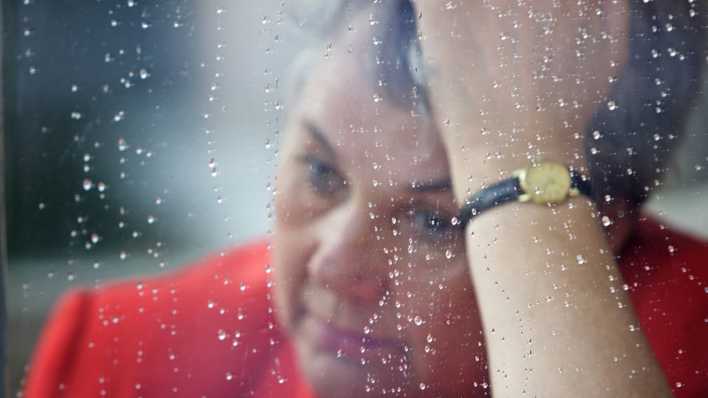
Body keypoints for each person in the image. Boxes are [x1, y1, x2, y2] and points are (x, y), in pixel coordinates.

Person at [23, 1, 708, 397]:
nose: (332, 264)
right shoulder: (124, 352)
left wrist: (519, 160)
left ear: (598, 230)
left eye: (433, 220)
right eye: (320, 174)